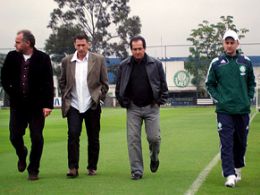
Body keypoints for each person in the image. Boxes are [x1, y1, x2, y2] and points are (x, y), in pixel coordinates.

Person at [1, 30, 54, 181]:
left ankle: (33, 169)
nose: (15, 44)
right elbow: (4, 78)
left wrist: (47, 105)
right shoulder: (12, 57)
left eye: (18, 42)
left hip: (36, 106)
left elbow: (48, 82)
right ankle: (22, 154)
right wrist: (13, 91)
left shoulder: (43, 58)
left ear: (27, 43)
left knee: (37, 137)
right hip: (18, 106)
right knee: (14, 136)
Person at [205, 30, 256, 187]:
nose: (229, 45)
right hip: (224, 111)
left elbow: (251, 83)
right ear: (223, 44)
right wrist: (219, 99)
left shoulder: (245, 62)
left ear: (237, 44)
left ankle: (238, 167)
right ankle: (229, 175)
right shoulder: (216, 63)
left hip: (242, 110)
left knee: (241, 143)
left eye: (232, 42)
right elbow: (209, 84)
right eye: (226, 42)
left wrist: (247, 98)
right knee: (226, 143)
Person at [115, 35, 168, 180]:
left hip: (152, 107)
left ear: (144, 48)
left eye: (140, 49)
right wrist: (123, 101)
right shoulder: (124, 65)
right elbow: (119, 86)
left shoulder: (155, 64)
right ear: (131, 49)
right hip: (133, 108)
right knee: (133, 140)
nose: (137, 52)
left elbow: (163, 84)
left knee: (154, 138)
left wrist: (160, 100)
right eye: (134, 49)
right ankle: (136, 171)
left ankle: (154, 156)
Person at [59, 34, 109, 178]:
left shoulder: (98, 60)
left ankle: (92, 167)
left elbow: (104, 83)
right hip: (73, 105)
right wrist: (66, 96)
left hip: (91, 104)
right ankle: (73, 167)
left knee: (93, 137)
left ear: (88, 44)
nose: (81, 48)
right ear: (74, 45)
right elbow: (62, 82)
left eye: (83, 45)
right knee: (73, 135)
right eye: (78, 45)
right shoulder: (66, 61)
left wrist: (99, 98)